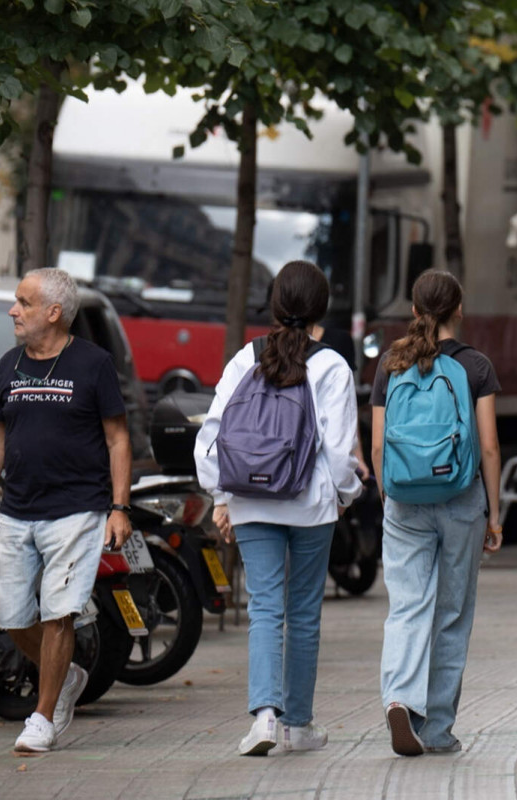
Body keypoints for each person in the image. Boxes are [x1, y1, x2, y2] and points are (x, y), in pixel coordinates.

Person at [0, 268, 132, 753]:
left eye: (23, 303)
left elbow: (117, 438)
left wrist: (118, 507)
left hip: (77, 510)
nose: (14, 310)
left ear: (53, 312)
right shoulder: (10, 365)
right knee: (10, 617)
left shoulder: (93, 364)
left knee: (58, 613)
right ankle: (66, 674)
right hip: (18, 509)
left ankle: (43, 717)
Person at [194, 260, 363, 756]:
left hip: (250, 500)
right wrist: (346, 494)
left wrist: (222, 496)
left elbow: (212, 436)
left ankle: (264, 718)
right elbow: (337, 451)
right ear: (322, 310)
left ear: (273, 305)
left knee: (265, 607)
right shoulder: (331, 365)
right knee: (304, 612)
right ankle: (297, 725)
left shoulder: (244, 359)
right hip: (309, 503)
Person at [370, 269, 502, 757]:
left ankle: (400, 698)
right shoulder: (475, 366)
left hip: (404, 498)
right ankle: (438, 729)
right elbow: (488, 446)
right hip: (461, 497)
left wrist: (389, 498)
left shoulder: (392, 363)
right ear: (459, 310)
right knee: (451, 612)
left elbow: (380, 443)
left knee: (407, 605)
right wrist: (494, 513)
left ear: (413, 310)